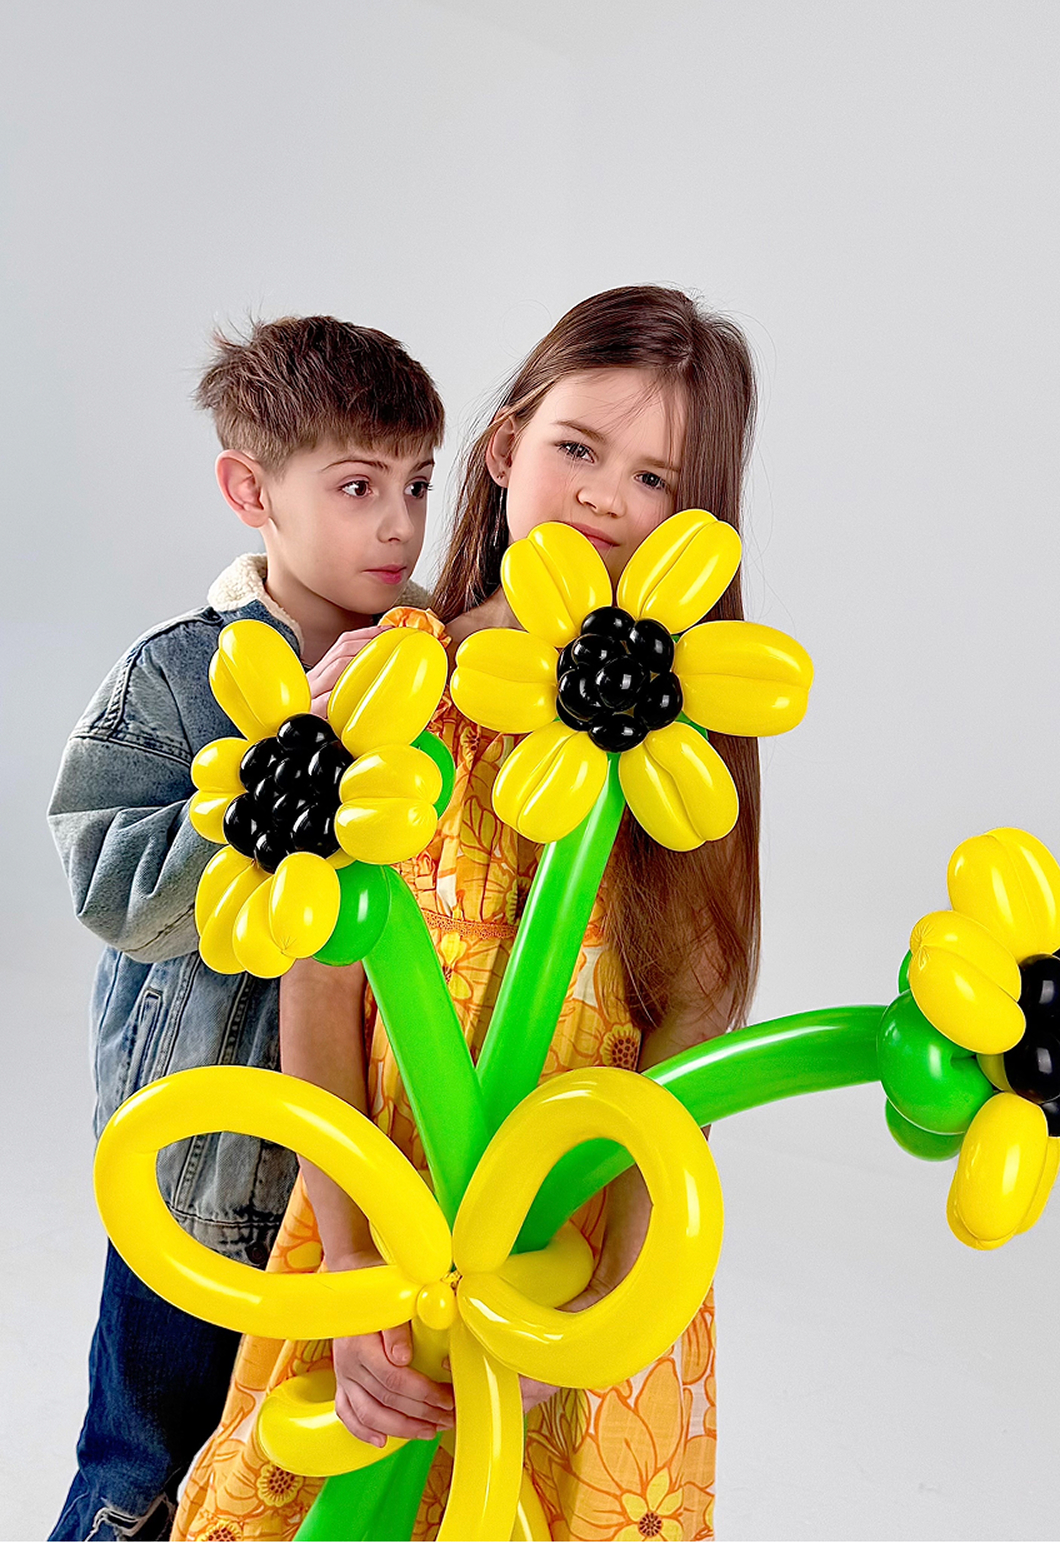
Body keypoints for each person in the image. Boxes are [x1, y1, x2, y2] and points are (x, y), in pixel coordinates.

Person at [175, 286, 761, 1542]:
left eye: (655, 477)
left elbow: (693, 1033)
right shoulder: (394, 686)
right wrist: (349, 1263)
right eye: (577, 448)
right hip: (386, 1215)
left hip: (581, 1233)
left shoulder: (688, 731)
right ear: (504, 449)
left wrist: (608, 1299)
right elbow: (320, 993)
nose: (606, 497)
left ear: (695, 518)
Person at [47, 315, 444, 1542]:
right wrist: (274, 784)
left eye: (418, 485)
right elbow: (107, 885)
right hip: (201, 1183)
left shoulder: (438, 666)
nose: (398, 524)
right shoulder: (180, 674)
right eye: (357, 486)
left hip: (363, 1197)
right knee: (141, 1472)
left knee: (286, 1487)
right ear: (251, 491)